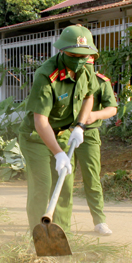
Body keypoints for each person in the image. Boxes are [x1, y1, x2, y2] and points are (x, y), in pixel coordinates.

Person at [18, 25, 98, 232]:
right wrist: (59, 154)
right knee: (42, 187)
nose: (79, 60)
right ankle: (38, 238)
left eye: (84, 55)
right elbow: (40, 121)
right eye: (74, 55)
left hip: (63, 134)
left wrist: (80, 125)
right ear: (62, 50)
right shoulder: (46, 75)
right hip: (36, 137)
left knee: (64, 186)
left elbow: (89, 96)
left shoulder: (86, 68)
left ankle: (61, 234)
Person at [75, 57, 118, 236]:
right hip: (64, 133)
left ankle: (99, 221)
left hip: (89, 134)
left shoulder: (101, 82)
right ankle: (58, 220)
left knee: (91, 178)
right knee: (63, 177)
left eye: (88, 61)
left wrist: (95, 115)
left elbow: (112, 108)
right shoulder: (67, 80)